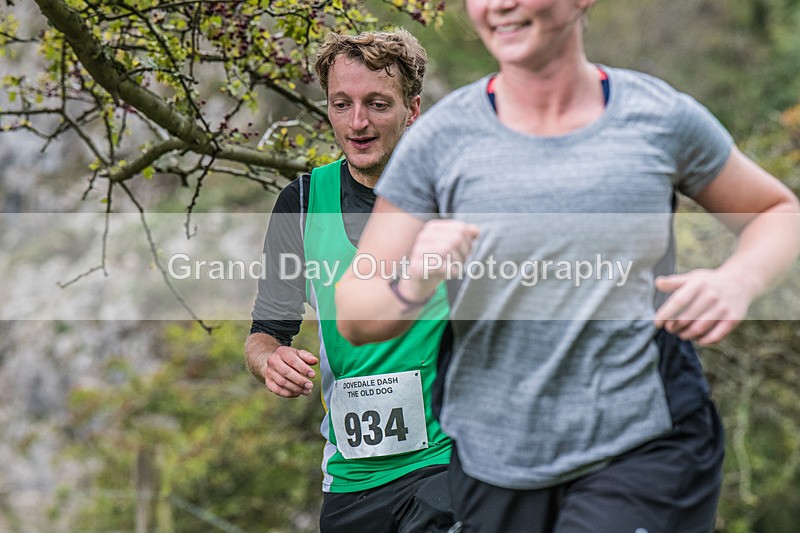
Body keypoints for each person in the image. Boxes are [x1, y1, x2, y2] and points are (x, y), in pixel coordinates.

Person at [335, 1, 800, 532]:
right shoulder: (440, 142)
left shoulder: (658, 117)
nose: (500, 5)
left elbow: (776, 211)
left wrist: (738, 280)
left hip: (641, 440)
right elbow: (354, 310)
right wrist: (416, 279)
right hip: (495, 460)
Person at [245, 29, 454, 533]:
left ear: (413, 109)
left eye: (378, 104)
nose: (358, 123)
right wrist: (271, 361)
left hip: (451, 461)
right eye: (343, 104)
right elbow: (265, 334)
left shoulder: (455, 192)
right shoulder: (299, 204)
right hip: (351, 476)